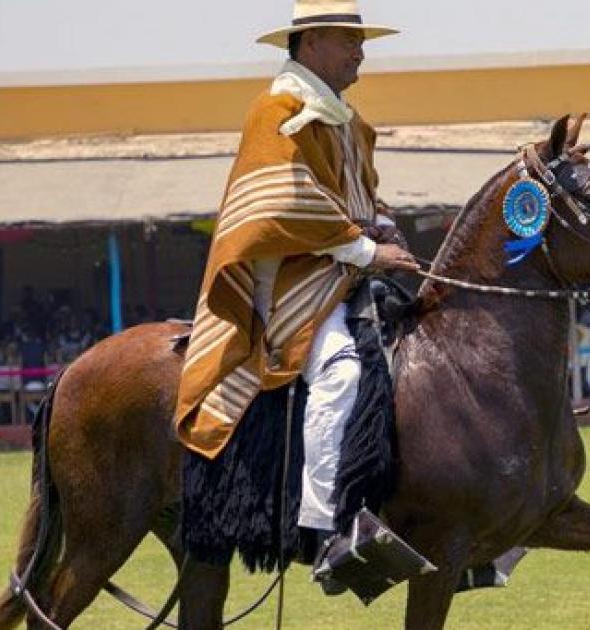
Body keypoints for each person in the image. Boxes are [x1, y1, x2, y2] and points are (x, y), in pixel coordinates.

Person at [174, 0, 415, 559]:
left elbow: (355, 199)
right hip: (288, 278)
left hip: (339, 265)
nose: (361, 53)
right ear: (309, 45)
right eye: (349, 41)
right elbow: (283, 201)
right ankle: (323, 522)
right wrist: (367, 248)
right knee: (339, 370)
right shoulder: (276, 108)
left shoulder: (341, 117)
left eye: (362, 42)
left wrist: (384, 229)